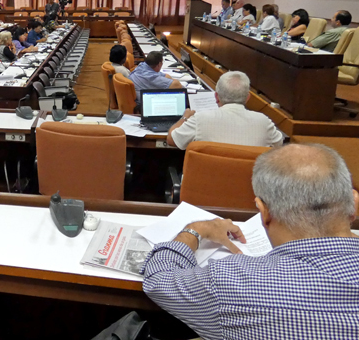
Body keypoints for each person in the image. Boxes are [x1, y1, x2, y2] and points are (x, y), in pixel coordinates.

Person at [143, 143, 359, 340]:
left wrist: (196, 230)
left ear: (264, 212)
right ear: (353, 205)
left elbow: (158, 279)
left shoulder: (233, 282)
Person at [167, 71, 283, 149]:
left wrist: (185, 118)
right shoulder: (264, 122)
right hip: (247, 185)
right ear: (248, 98)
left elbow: (172, 140)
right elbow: (278, 145)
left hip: (206, 184)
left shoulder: (200, 119)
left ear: (216, 97)